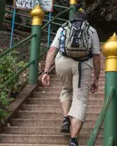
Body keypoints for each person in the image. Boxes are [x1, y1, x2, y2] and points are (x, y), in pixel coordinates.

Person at [41, 10, 101, 146]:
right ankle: (73, 140)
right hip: (83, 65)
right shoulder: (91, 30)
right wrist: (96, 79)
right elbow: (97, 58)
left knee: (66, 89)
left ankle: (65, 118)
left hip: (62, 62)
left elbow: (52, 50)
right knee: (80, 99)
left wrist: (45, 72)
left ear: (73, 19)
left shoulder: (63, 27)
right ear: (86, 21)